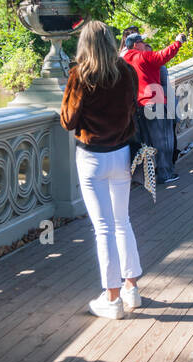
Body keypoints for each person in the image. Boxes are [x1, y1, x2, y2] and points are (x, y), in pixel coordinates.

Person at [60, 21, 144, 319]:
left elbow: (68, 120)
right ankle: (132, 289)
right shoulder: (126, 72)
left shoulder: (79, 75)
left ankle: (112, 299)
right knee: (123, 221)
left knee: (104, 228)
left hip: (92, 158)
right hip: (121, 154)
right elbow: (133, 107)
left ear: (84, 44)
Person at [122, 31, 186, 183]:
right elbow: (163, 55)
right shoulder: (141, 56)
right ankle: (166, 174)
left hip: (139, 106)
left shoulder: (124, 60)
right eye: (142, 43)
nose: (145, 45)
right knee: (165, 141)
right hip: (155, 103)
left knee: (147, 142)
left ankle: (146, 175)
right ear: (136, 45)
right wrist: (178, 42)